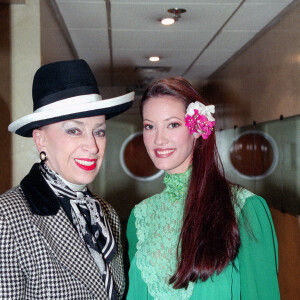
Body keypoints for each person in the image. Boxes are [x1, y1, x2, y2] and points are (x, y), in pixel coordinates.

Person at [126, 77, 280, 299]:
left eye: (172, 124)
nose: (158, 139)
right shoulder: (139, 218)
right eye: (150, 126)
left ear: (197, 128)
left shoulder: (244, 209)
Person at [0, 59, 134, 299]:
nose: (92, 146)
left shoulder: (107, 213)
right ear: (40, 139)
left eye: (99, 131)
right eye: (74, 130)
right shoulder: (7, 217)